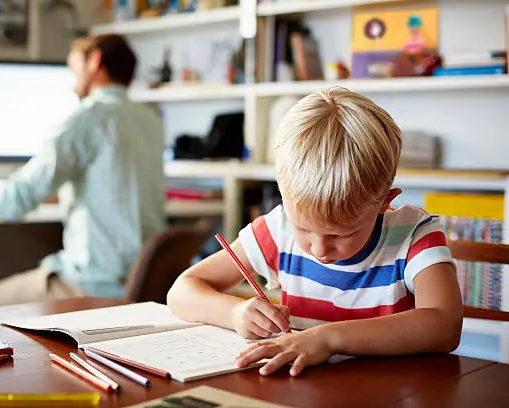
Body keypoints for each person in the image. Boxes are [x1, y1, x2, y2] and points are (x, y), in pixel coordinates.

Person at [167, 87, 463, 376]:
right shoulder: (277, 229)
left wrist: (328, 338)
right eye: (303, 228)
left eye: (341, 234)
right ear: (282, 195)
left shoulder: (414, 235)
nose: (319, 250)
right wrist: (235, 314)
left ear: (384, 202)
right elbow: (181, 291)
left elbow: (444, 325)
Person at [0, 34, 167, 311]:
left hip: (90, 284)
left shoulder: (88, 117)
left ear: (95, 60)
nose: (72, 80)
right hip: (142, 284)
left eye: (72, 68)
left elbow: (14, 201)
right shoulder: (149, 119)